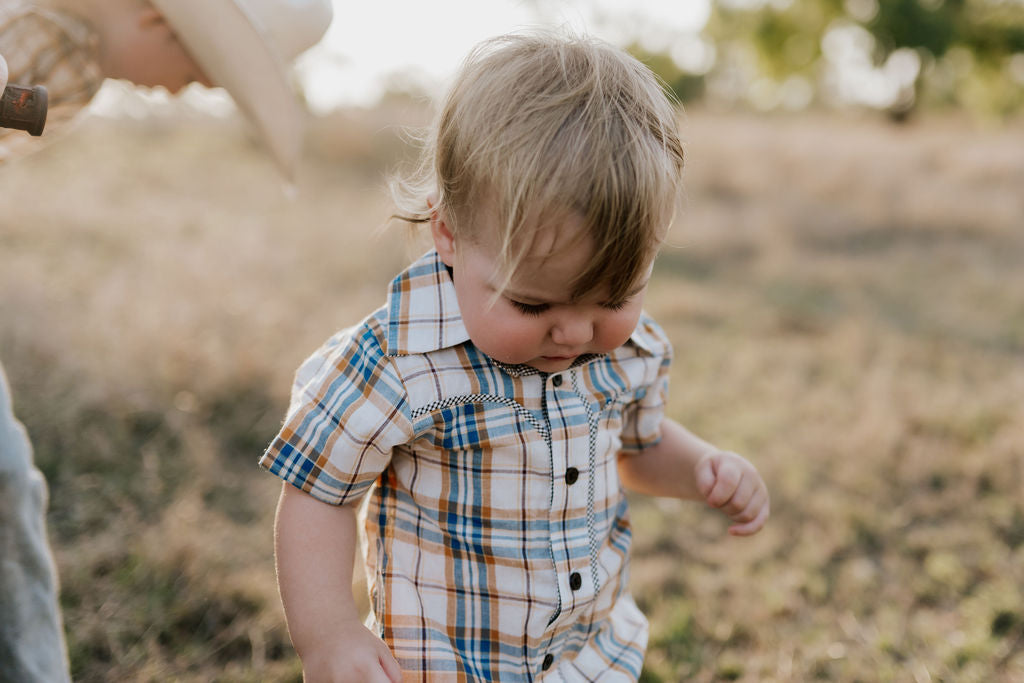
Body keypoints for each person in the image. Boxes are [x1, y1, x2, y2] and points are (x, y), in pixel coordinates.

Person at [260, 32, 771, 682]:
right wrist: (328, 631)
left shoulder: (626, 352)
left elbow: (635, 449)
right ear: (447, 232)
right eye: (533, 306)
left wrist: (703, 467)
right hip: (448, 666)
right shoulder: (397, 360)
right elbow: (317, 490)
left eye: (613, 297)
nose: (574, 333)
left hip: (589, 659)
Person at [0, 1, 332, 680]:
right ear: (157, 20)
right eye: (198, 73)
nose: (182, 91)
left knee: (7, 483)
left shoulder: (70, 76)